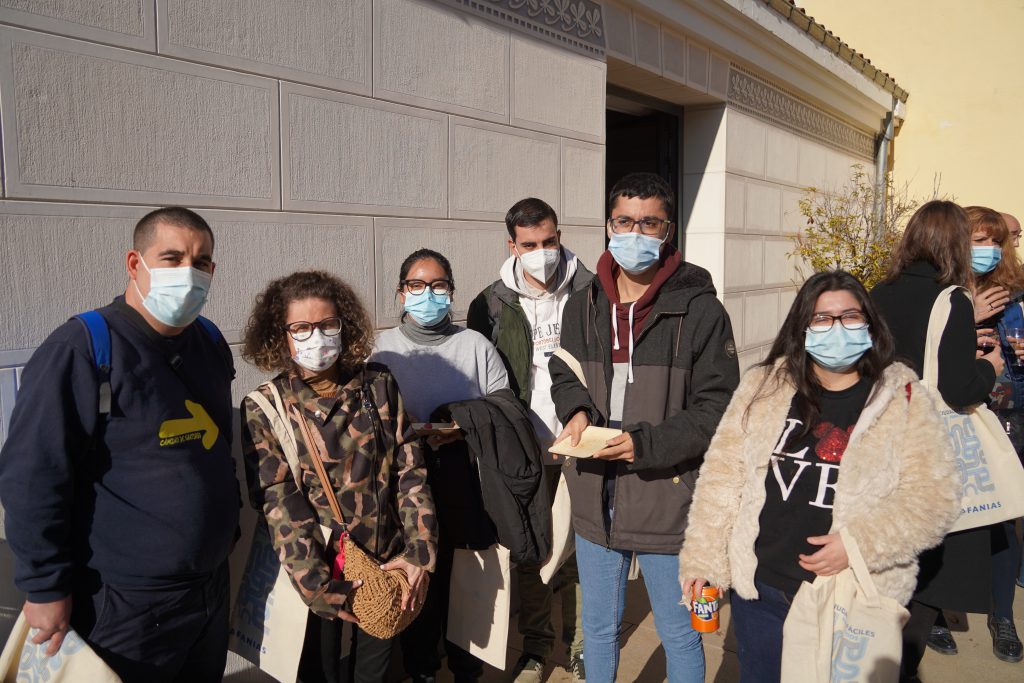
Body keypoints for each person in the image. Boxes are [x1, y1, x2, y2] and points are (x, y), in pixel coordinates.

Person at [678, 270, 960, 682]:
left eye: (849, 316)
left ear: (869, 323)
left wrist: (858, 545)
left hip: (849, 596)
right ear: (802, 328)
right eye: (822, 319)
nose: (837, 328)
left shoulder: (903, 394)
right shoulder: (764, 386)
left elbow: (935, 499)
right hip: (763, 591)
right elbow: (723, 478)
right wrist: (704, 560)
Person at [0, 207, 239, 682]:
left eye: (201, 261)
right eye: (170, 257)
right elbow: (33, 476)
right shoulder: (85, 346)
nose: (187, 273)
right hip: (125, 604)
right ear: (135, 264)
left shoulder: (209, 342)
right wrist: (44, 588)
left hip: (208, 589)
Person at [549, 172, 739, 683]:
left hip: (667, 497)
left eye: (648, 222)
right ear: (609, 225)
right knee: (600, 628)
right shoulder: (583, 302)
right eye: (624, 221)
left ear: (667, 230)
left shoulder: (700, 311)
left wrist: (643, 445)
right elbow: (563, 370)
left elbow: (717, 407)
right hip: (595, 494)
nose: (635, 232)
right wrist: (576, 411)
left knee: (679, 633)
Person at [239, 270, 437, 683]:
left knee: (375, 673)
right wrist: (316, 585)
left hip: (386, 564)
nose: (318, 336)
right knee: (319, 672)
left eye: (328, 324)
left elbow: (409, 468)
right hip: (317, 573)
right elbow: (278, 501)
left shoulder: (378, 383)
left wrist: (420, 549)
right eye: (302, 327)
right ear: (281, 334)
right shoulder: (266, 406)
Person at [870, 200, 1005, 681]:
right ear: (954, 244)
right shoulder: (952, 299)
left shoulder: (879, 290)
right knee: (927, 577)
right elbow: (957, 389)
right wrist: (989, 368)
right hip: (927, 449)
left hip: (882, 440)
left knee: (891, 562)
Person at [467, 197, 592, 683]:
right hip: (524, 449)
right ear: (512, 245)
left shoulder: (590, 288)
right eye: (530, 244)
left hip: (581, 441)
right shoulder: (491, 303)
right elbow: (483, 376)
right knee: (531, 549)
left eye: (550, 241)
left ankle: (583, 644)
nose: (542, 252)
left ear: (559, 236)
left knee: (582, 551)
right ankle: (538, 647)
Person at [371, 249, 509, 683]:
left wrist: (462, 425)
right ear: (400, 294)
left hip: (464, 480)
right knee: (417, 576)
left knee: (467, 581)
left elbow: (506, 409)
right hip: (404, 487)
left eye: (438, 286)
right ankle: (421, 670)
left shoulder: (475, 345)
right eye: (416, 285)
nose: (427, 294)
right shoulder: (381, 350)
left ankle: (467, 667)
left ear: (451, 292)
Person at [965, 206, 1024, 664]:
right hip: (959, 415)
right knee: (949, 521)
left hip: (1010, 416)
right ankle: (938, 618)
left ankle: (1002, 615)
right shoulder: (945, 292)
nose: (990, 251)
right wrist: (968, 317)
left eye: (996, 241)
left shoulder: (1016, 293)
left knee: (1004, 521)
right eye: (980, 240)